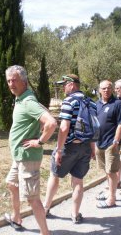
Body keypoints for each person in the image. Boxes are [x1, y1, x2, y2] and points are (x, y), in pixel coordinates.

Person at [4, 65, 57, 235]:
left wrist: (39, 141)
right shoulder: (21, 98)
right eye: (9, 81)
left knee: (32, 198)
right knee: (12, 184)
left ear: (24, 82)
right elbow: (43, 114)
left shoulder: (27, 101)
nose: (11, 84)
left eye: (15, 80)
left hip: (28, 158)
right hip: (19, 156)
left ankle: (45, 233)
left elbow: (51, 122)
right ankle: (17, 218)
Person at [43, 74, 96, 224]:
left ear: (72, 84)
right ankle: (75, 214)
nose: (63, 87)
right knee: (78, 181)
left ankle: (45, 209)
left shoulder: (69, 101)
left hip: (69, 146)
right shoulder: (91, 102)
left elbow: (64, 127)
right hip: (85, 147)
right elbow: (93, 127)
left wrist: (59, 150)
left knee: (54, 175)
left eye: (64, 84)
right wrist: (92, 147)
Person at [95, 80, 121, 208]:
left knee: (112, 172)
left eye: (108, 88)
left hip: (110, 144)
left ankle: (112, 199)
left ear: (112, 89)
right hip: (98, 143)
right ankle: (109, 192)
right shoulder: (96, 104)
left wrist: (116, 141)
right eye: (103, 88)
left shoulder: (117, 104)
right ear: (99, 90)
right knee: (106, 171)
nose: (106, 90)